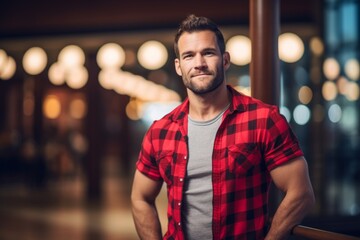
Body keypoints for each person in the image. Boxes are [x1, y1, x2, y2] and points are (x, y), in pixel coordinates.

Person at [131, 14, 315, 240]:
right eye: (189, 56)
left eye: (208, 53)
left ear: (225, 60)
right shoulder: (160, 131)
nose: (199, 63)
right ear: (178, 67)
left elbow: (301, 194)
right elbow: (140, 198)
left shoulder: (263, 120)